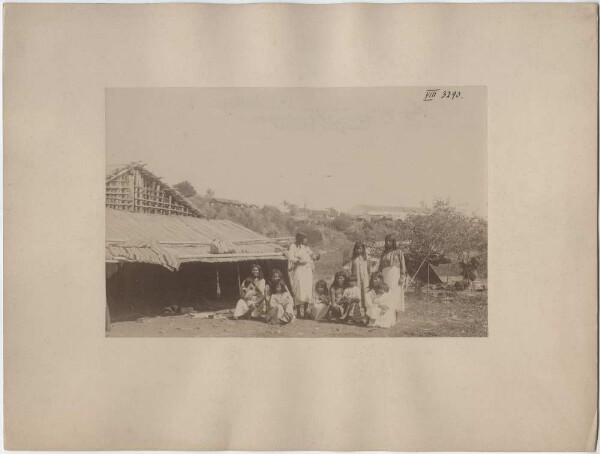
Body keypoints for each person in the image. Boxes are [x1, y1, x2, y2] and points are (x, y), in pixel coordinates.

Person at [288, 232, 320, 318]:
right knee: (299, 289)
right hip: (299, 269)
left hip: (308, 270)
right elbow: (290, 257)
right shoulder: (293, 246)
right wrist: (298, 261)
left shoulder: (307, 247)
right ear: (300, 238)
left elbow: (313, 255)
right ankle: (298, 311)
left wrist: (315, 256)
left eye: (306, 238)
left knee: (307, 290)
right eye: (304, 238)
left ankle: (305, 311)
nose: (306, 240)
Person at [378, 234, 407, 316]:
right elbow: (380, 266)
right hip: (385, 274)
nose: (388, 242)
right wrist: (379, 276)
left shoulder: (399, 252)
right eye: (386, 241)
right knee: (385, 292)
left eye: (390, 241)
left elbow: (403, 265)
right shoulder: (384, 253)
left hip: (395, 274)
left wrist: (402, 276)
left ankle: (395, 315)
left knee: (395, 293)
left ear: (393, 242)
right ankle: (387, 314)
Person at [344, 241, 371, 310]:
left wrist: (369, 275)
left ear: (363, 249)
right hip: (356, 277)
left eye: (360, 248)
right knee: (357, 291)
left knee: (365, 290)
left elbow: (369, 268)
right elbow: (350, 269)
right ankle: (357, 307)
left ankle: (366, 306)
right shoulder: (353, 259)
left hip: (365, 278)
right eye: (356, 249)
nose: (358, 250)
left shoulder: (366, 258)